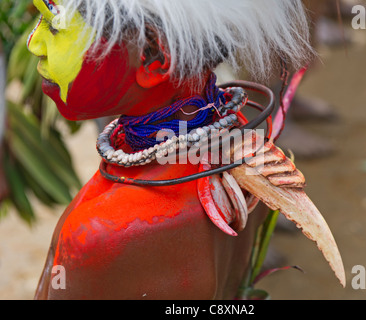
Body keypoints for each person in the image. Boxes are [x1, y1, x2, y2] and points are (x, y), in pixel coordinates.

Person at [28, 0, 344, 299]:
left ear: (153, 57)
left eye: (55, 27)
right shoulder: (243, 145)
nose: (33, 42)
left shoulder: (101, 234)